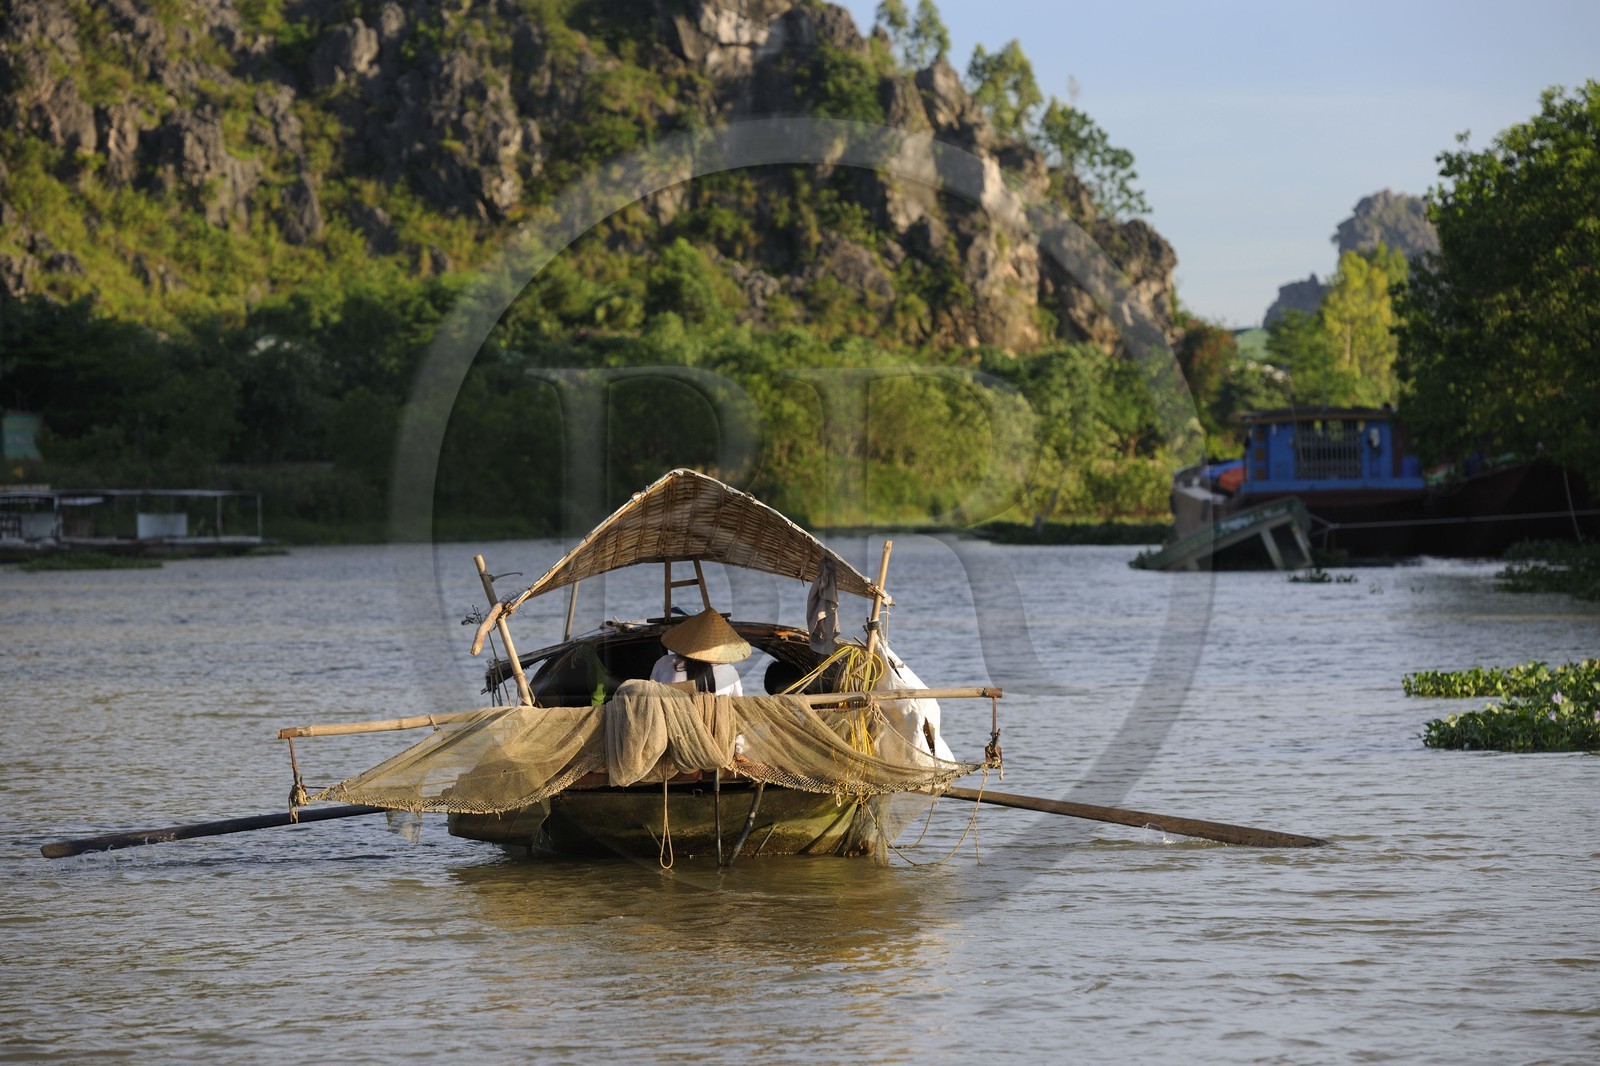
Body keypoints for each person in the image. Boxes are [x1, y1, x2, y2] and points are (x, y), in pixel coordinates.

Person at [649, 608, 749, 696]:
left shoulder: (664, 663)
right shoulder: (730, 671)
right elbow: (737, 705)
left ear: (685, 640)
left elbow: (651, 696)